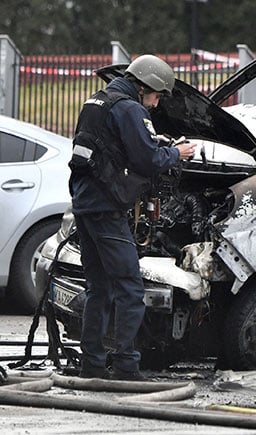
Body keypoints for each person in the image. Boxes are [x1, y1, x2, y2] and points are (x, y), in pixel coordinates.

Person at [68, 54, 196, 380]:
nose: (155, 104)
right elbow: (146, 158)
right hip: (106, 209)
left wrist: (155, 144)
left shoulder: (97, 101)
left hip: (85, 205)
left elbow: (108, 146)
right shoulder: (129, 107)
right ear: (145, 87)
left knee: (99, 288)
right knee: (130, 288)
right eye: (156, 96)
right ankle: (126, 366)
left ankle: (92, 365)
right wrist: (175, 153)